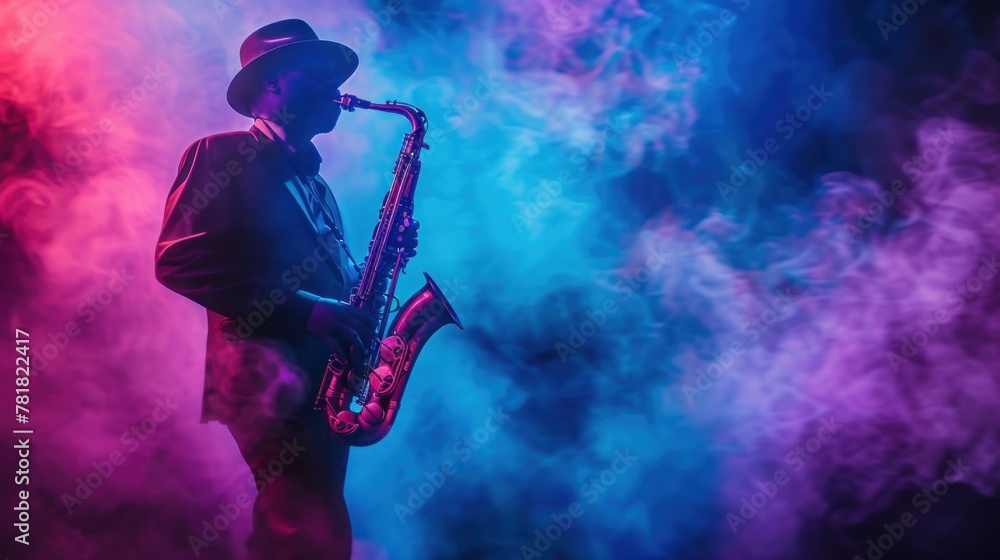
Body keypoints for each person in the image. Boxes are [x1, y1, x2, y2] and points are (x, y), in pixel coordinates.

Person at [154, 19, 417, 559]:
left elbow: (332, 281)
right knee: (307, 532)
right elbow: (179, 260)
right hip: (265, 380)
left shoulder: (317, 184)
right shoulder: (220, 154)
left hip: (323, 378)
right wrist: (309, 312)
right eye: (316, 73)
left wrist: (380, 261)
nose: (334, 87)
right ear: (270, 83)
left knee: (307, 532)